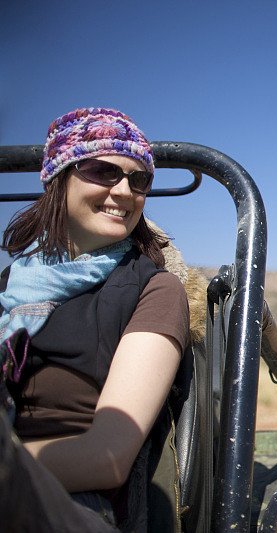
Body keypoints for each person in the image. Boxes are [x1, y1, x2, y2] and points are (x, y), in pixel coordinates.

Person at [0, 108, 190, 532]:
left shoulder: (153, 290)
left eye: (139, 180)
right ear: (58, 178)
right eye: (103, 171)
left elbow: (108, 457)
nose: (123, 191)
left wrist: (8, 468)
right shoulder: (8, 286)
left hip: (75, 503)